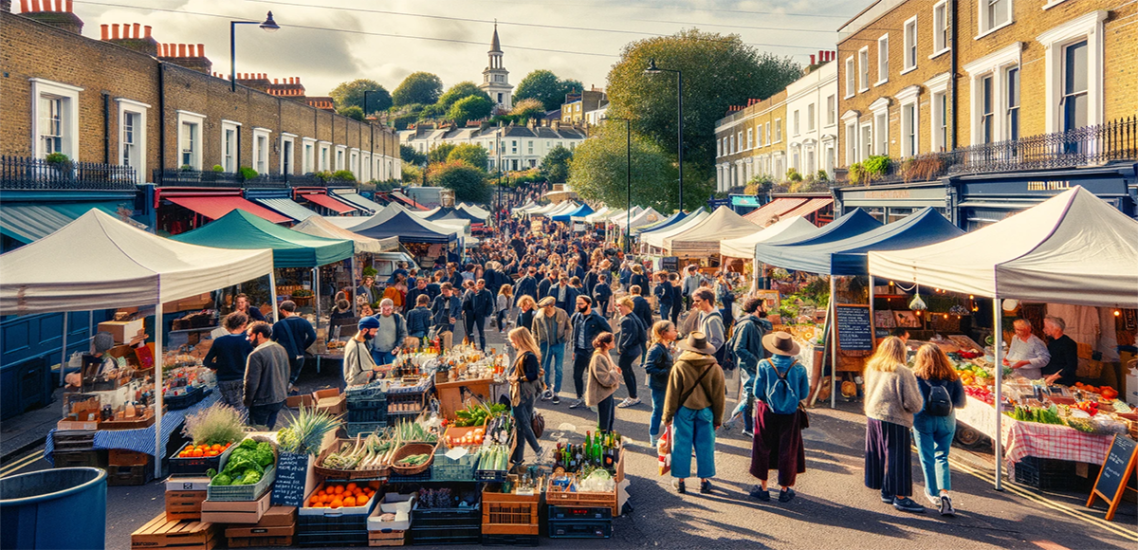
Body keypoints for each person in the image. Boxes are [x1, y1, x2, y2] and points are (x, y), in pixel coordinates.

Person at [864, 336, 926, 514]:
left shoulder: (872, 367)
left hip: (874, 415)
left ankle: (886, 491)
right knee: (897, 458)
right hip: (894, 418)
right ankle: (900, 498)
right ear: (902, 351)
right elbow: (913, 404)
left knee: (880, 455)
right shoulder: (903, 371)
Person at [749, 332, 810, 503]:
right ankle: (784, 489)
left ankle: (763, 487)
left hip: (767, 410)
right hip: (791, 414)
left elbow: (757, 392)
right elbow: (804, 393)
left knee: (763, 446)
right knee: (787, 448)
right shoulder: (799, 368)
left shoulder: (764, 365)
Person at [663, 331, 726, 495]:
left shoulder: (680, 365)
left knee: (681, 444)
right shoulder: (714, 367)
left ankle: (681, 481)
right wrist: (718, 419)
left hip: (684, 409)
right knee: (705, 445)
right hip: (706, 411)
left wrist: (667, 416)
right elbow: (719, 396)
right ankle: (704, 481)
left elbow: (672, 393)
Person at [910, 344, 966, 517]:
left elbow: (914, 403)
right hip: (947, 419)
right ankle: (945, 494)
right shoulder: (953, 376)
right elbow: (961, 402)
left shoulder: (917, 376)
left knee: (927, 458)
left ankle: (932, 493)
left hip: (924, 419)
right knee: (942, 456)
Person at [725, 298, 766, 436]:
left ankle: (745, 426)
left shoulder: (754, 323)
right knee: (749, 395)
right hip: (749, 366)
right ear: (758, 308)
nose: (767, 308)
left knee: (750, 395)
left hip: (752, 364)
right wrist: (754, 361)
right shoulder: (748, 324)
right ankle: (740, 423)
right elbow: (739, 347)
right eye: (764, 306)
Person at [507, 327, 545, 466]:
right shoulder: (523, 353)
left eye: (512, 340)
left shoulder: (529, 355)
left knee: (523, 424)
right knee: (520, 426)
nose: (512, 343)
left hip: (523, 393)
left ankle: (538, 450)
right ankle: (518, 458)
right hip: (523, 393)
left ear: (518, 339)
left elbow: (533, 374)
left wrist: (518, 379)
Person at [243, 322, 290, 429]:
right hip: (279, 398)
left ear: (259, 334)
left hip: (262, 402)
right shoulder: (280, 348)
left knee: (258, 431)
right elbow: (287, 373)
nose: (247, 338)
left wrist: (247, 401)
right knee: (269, 428)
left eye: (250, 335)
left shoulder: (256, 354)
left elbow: (251, 382)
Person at [203, 312, 253, 412]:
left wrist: (219, 366)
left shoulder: (219, 341)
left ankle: (233, 425)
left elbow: (206, 362)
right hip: (243, 377)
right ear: (242, 325)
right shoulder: (247, 341)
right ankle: (242, 425)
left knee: (229, 408)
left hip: (224, 379)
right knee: (243, 408)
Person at [569, 296, 612, 409]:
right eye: (577, 303)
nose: (578, 306)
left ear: (588, 304)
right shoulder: (576, 317)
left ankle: (594, 399)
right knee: (576, 375)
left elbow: (609, 333)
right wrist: (573, 349)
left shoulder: (597, 318)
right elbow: (574, 334)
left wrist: (601, 348)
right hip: (579, 350)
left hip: (592, 352)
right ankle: (580, 397)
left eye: (581, 304)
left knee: (593, 376)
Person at [645, 320, 677, 446]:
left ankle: (666, 437)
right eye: (673, 329)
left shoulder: (666, 346)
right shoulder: (656, 349)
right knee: (658, 410)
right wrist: (668, 370)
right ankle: (653, 438)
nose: (676, 332)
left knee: (668, 410)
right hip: (659, 386)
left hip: (667, 384)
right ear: (664, 333)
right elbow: (649, 368)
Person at [533, 297, 571, 404]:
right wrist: (536, 343)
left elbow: (569, 326)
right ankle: (546, 388)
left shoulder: (562, 313)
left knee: (558, 368)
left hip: (559, 344)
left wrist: (565, 337)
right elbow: (534, 330)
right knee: (545, 368)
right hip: (544, 344)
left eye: (545, 306)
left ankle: (556, 391)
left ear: (550, 305)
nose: (543, 309)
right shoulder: (539, 315)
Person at [272, 301, 317, 389]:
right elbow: (312, 337)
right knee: (292, 378)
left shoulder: (278, 325)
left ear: (284, 311)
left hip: (284, 355)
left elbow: (272, 340)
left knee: (283, 377)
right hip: (299, 353)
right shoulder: (305, 322)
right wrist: (303, 347)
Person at [586, 332, 622, 432]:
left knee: (610, 419)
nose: (614, 342)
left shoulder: (605, 353)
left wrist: (614, 368)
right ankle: (603, 442)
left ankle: (609, 440)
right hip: (602, 394)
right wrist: (614, 372)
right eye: (612, 341)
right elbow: (604, 379)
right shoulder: (598, 357)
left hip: (607, 392)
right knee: (604, 423)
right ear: (606, 344)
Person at [615, 297, 647, 409]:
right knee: (628, 371)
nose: (618, 308)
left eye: (620, 306)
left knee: (626, 371)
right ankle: (633, 396)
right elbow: (642, 335)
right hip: (635, 349)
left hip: (629, 350)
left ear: (627, 306)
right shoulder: (633, 316)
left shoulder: (627, 320)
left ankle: (632, 397)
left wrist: (622, 347)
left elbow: (628, 336)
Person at [691, 288, 727, 364]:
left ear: (706, 301)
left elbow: (718, 341)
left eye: (698, 301)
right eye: (694, 301)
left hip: (708, 359)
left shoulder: (713, 319)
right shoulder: (702, 313)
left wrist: (706, 353)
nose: (695, 304)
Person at [1042, 316, 1079, 386]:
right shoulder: (1051, 342)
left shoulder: (1068, 343)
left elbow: (1071, 366)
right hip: (1047, 380)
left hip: (1062, 382)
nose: (1044, 330)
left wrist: (1053, 377)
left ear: (1057, 329)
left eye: (1046, 327)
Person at [344, 317, 380, 386]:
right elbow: (353, 379)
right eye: (374, 331)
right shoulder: (356, 347)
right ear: (364, 330)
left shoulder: (361, 342)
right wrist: (376, 373)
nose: (375, 334)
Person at [370, 298, 407, 365]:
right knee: (378, 372)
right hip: (376, 351)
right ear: (379, 308)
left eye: (388, 309)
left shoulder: (398, 318)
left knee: (391, 370)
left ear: (392, 309)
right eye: (383, 309)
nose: (386, 311)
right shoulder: (374, 319)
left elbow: (403, 333)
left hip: (391, 350)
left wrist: (398, 346)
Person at [431, 283, 462, 351]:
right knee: (438, 335)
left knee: (449, 335)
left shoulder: (456, 300)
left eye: (446, 291)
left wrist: (455, 317)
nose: (444, 293)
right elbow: (433, 309)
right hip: (440, 317)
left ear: (451, 290)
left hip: (450, 317)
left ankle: (448, 349)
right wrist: (433, 317)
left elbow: (459, 310)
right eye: (442, 290)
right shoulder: (438, 298)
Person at [468, 279, 495, 351]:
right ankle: (471, 346)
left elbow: (490, 303)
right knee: (470, 331)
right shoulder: (473, 292)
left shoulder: (487, 292)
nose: (480, 284)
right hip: (472, 313)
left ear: (484, 284)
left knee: (481, 331)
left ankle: (482, 347)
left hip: (481, 314)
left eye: (481, 283)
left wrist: (487, 313)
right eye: (478, 283)